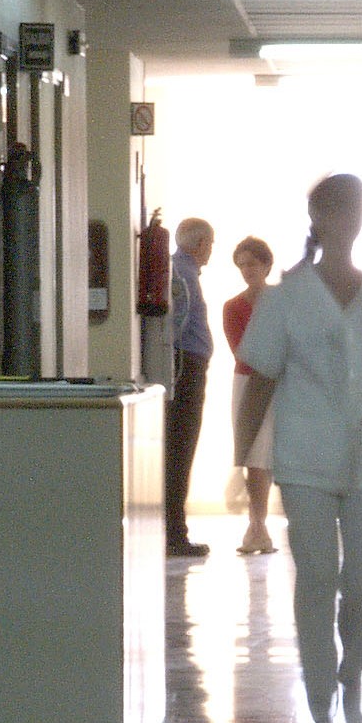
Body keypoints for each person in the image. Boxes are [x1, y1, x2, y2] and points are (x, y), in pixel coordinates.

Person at [234, 174, 362, 723]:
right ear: (318, 218)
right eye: (337, 211)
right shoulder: (285, 298)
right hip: (305, 461)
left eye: (356, 210)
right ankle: (320, 705)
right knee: (317, 581)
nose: (348, 221)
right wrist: (242, 457)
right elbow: (261, 381)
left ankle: (356, 667)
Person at [221, 235, 279, 556]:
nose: (247, 270)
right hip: (249, 385)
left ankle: (260, 526)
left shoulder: (283, 301)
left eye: (252, 264)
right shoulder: (233, 307)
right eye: (242, 265)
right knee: (253, 455)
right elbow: (242, 352)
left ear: (267, 265)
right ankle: (257, 525)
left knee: (272, 456)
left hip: (282, 384)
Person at [167, 216, 215, 559]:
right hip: (186, 367)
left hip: (185, 364)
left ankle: (173, 528)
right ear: (199, 244)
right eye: (210, 243)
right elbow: (178, 324)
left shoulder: (181, 273)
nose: (211, 249)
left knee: (178, 450)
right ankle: (175, 532)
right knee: (181, 448)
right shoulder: (183, 276)